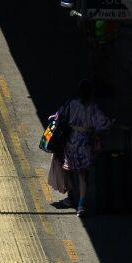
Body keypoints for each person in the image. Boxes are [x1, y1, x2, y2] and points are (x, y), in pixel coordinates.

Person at [54, 80, 112, 215]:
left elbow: (58, 116)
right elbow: (104, 125)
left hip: (71, 142)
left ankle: (70, 198)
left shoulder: (71, 104)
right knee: (83, 175)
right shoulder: (93, 108)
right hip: (85, 144)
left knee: (69, 171)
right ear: (91, 94)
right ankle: (81, 205)